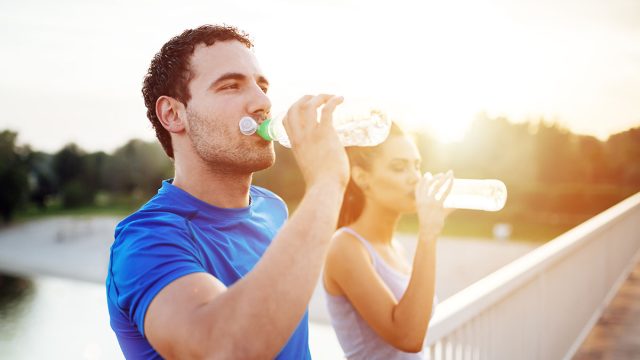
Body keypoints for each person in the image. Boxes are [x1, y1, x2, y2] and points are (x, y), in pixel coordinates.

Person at [105, 24, 350, 359]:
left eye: (262, 86)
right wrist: (327, 182)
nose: (263, 102)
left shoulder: (272, 208)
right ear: (174, 114)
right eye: (231, 86)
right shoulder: (145, 241)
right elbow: (223, 348)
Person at [322, 123, 454, 359]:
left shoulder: (396, 248)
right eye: (399, 167)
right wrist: (428, 234)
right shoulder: (344, 247)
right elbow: (409, 338)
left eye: (417, 166)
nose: (415, 178)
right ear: (363, 178)